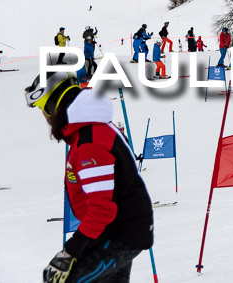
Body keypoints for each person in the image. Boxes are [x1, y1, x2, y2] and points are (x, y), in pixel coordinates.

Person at [25, 72, 153, 283]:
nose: (46, 119)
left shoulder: (89, 142)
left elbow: (102, 209)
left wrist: (70, 251)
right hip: (115, 231)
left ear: (53, 105)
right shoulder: (89, 131)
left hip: (119, 234)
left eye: (43, 109)